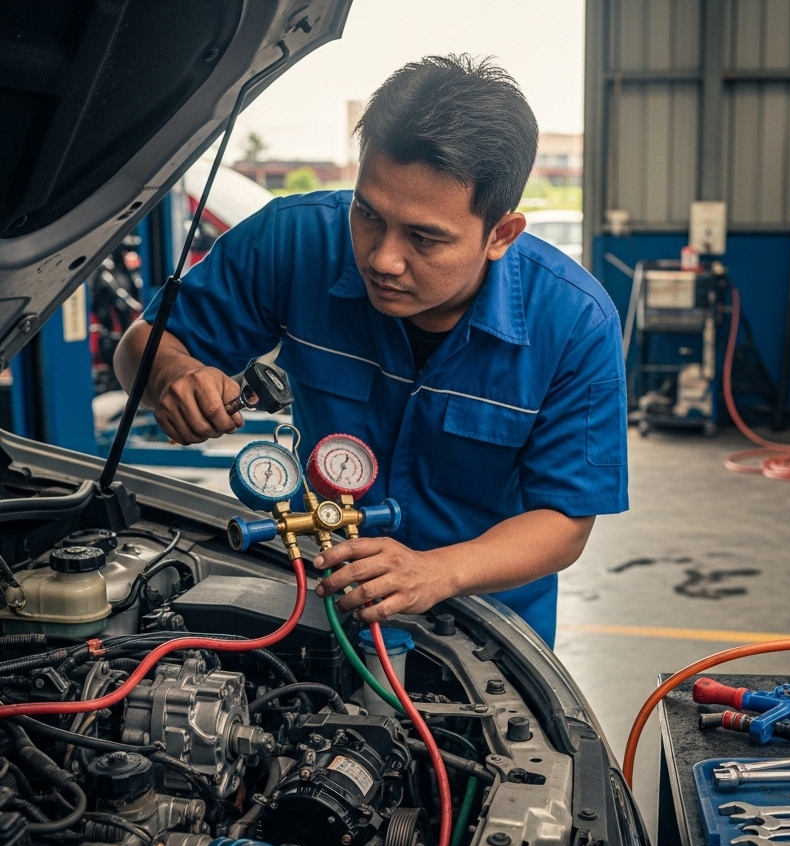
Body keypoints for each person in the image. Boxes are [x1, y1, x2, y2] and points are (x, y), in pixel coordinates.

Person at [114, 55, 627, 648]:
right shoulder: (294, 241)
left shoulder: (574, 322)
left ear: (500, 235)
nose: (382, 259)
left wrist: (438, 571)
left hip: (479, 633)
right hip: (317, 599)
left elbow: (564, 522)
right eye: (368, 214)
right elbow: (139, 347)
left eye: (424, 238)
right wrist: (173, 373)